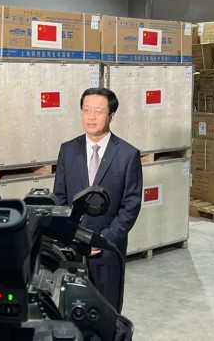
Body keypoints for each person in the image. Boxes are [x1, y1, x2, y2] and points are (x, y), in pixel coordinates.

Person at [53, 87, 142, 313]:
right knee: (72, 311)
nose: (91, 117)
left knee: (106, 312)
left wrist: (102, 240)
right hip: (72, 248)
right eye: (86, 110)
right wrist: (72, 236)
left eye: (99, 111)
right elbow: (60, 198)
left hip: (108, 250)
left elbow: (130, 206)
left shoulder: (128, 155)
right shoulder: (67, 150)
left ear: (111, 116)